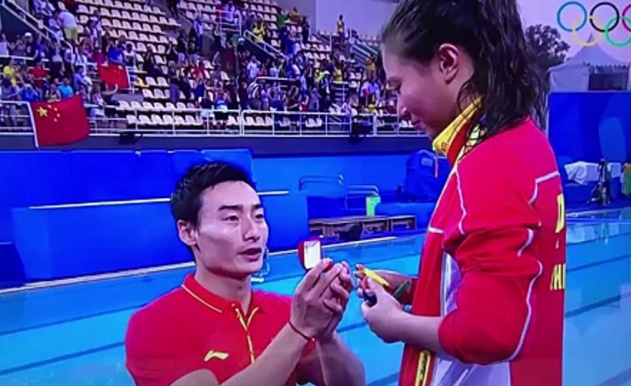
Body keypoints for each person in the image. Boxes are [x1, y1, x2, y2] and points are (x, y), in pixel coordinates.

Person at [356, 0, 566, 386]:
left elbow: (491, 331)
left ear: (448, 62)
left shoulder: (489, 165)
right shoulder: (524, 141)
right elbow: (503, 291)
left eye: (398, 86)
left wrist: (396, 324)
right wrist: (413, 290)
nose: (399, 108)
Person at [125, 162, 365, 386]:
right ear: (188, 232)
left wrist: (326, 335)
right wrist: (299, 331)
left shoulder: (285, 311)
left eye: (258, 216)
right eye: (232, 218)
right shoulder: (154, 325)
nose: (253, 232)